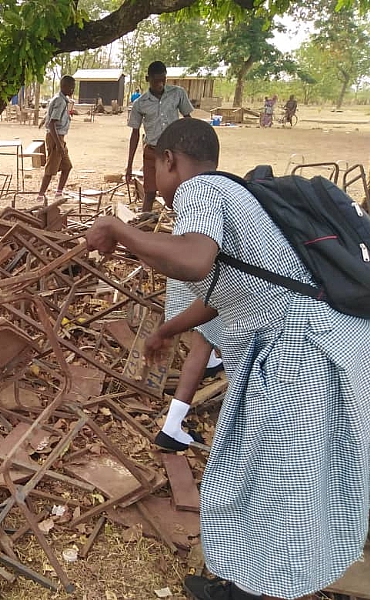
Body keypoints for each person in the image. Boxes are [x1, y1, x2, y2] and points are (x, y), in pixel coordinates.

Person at [86, 117, 370, 600]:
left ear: (170, 160)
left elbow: (193, 260)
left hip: (305, 354)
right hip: (323, 346)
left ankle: (258, 588)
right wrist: (167, 329)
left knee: (281, 480)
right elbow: (223, 291)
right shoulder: (233, 195)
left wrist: (119, 227)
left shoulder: (202, 191)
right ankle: (249, 582)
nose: (153, 178)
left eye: (154, 166)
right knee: (264, 469)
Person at [156, 278, 224, 451]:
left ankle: (210, 363)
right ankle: (171, 427)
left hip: (185, 273)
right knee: (204, 340)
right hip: (209, 278)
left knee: (202, 331)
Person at [127, 61, 193, 213]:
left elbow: (188, 120)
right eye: (156, 80)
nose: (160, 84)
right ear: (147, 79)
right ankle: (144, 227)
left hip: (175, 150)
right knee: (149, 192)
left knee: (179, 190)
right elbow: (135, 133)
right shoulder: (140, 103)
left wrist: (189, 146)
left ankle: (182, 225)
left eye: (163, 80)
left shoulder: (178, 93)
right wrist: (129, 165)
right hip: (152, 152)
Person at [37, 75, 75, 202]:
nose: (72, 90)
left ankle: (59, 192)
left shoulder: (61, 100)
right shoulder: (59, 101)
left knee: (67, 166)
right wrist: (58, 145)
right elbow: (52, 123)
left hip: (60, 138)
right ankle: (40, 195)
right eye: (71, 87)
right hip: (55, 137)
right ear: (64, 87)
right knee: (51, 168)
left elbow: (49, 116)